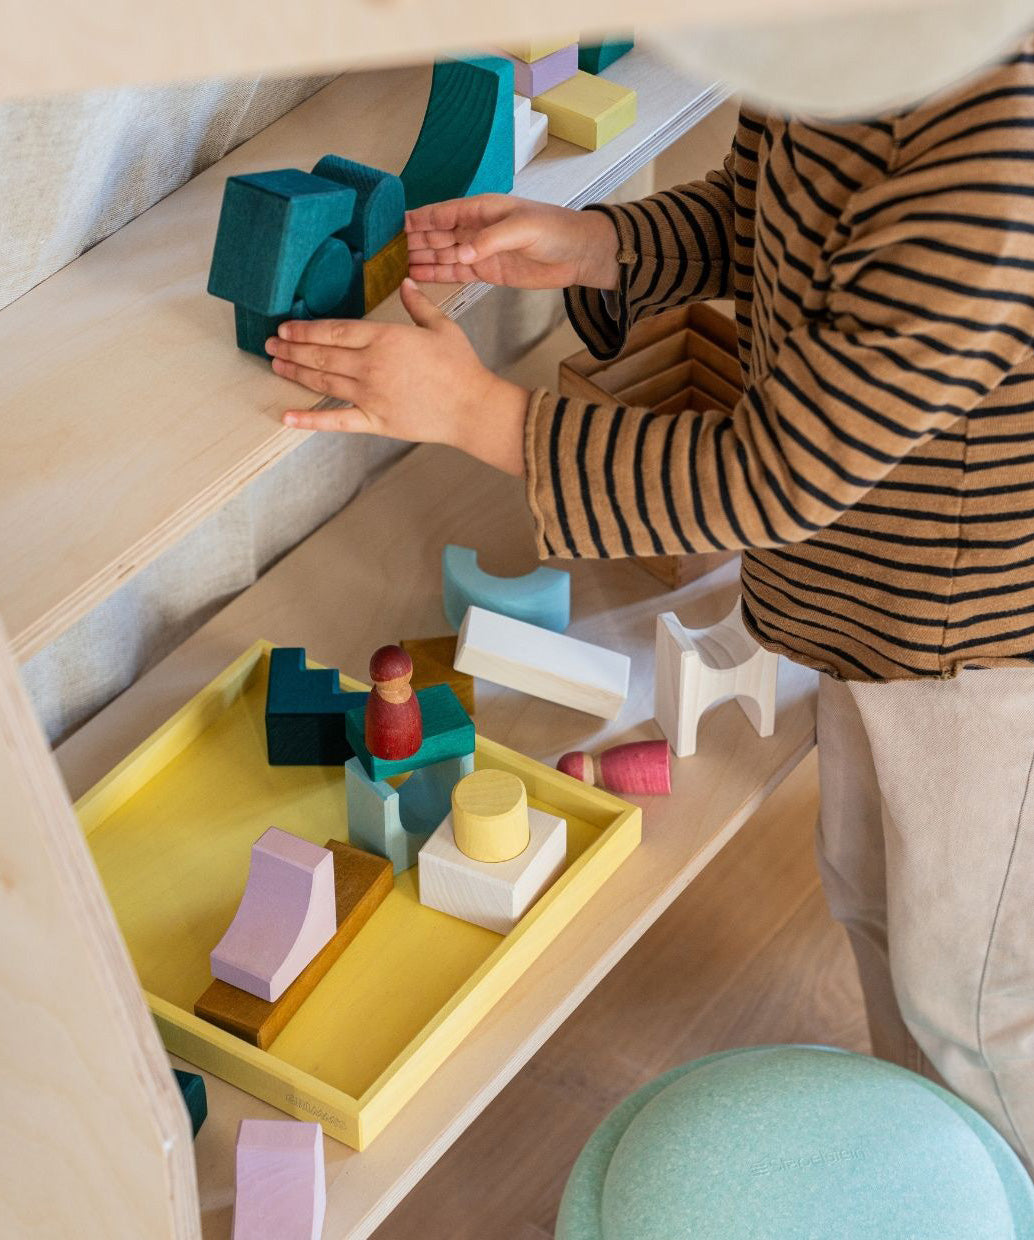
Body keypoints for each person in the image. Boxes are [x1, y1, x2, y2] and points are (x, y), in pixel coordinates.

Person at [264, 38, 1034, 1165]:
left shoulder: (990, 158)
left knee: (971, 994)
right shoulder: (841, 51)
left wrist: (478, 414)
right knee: (872, 899)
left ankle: (987, 1187)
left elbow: (769, 477)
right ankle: (928, 1163)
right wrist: (602, 244)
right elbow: (763, 218)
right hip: (869, 608)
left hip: (976, 649)